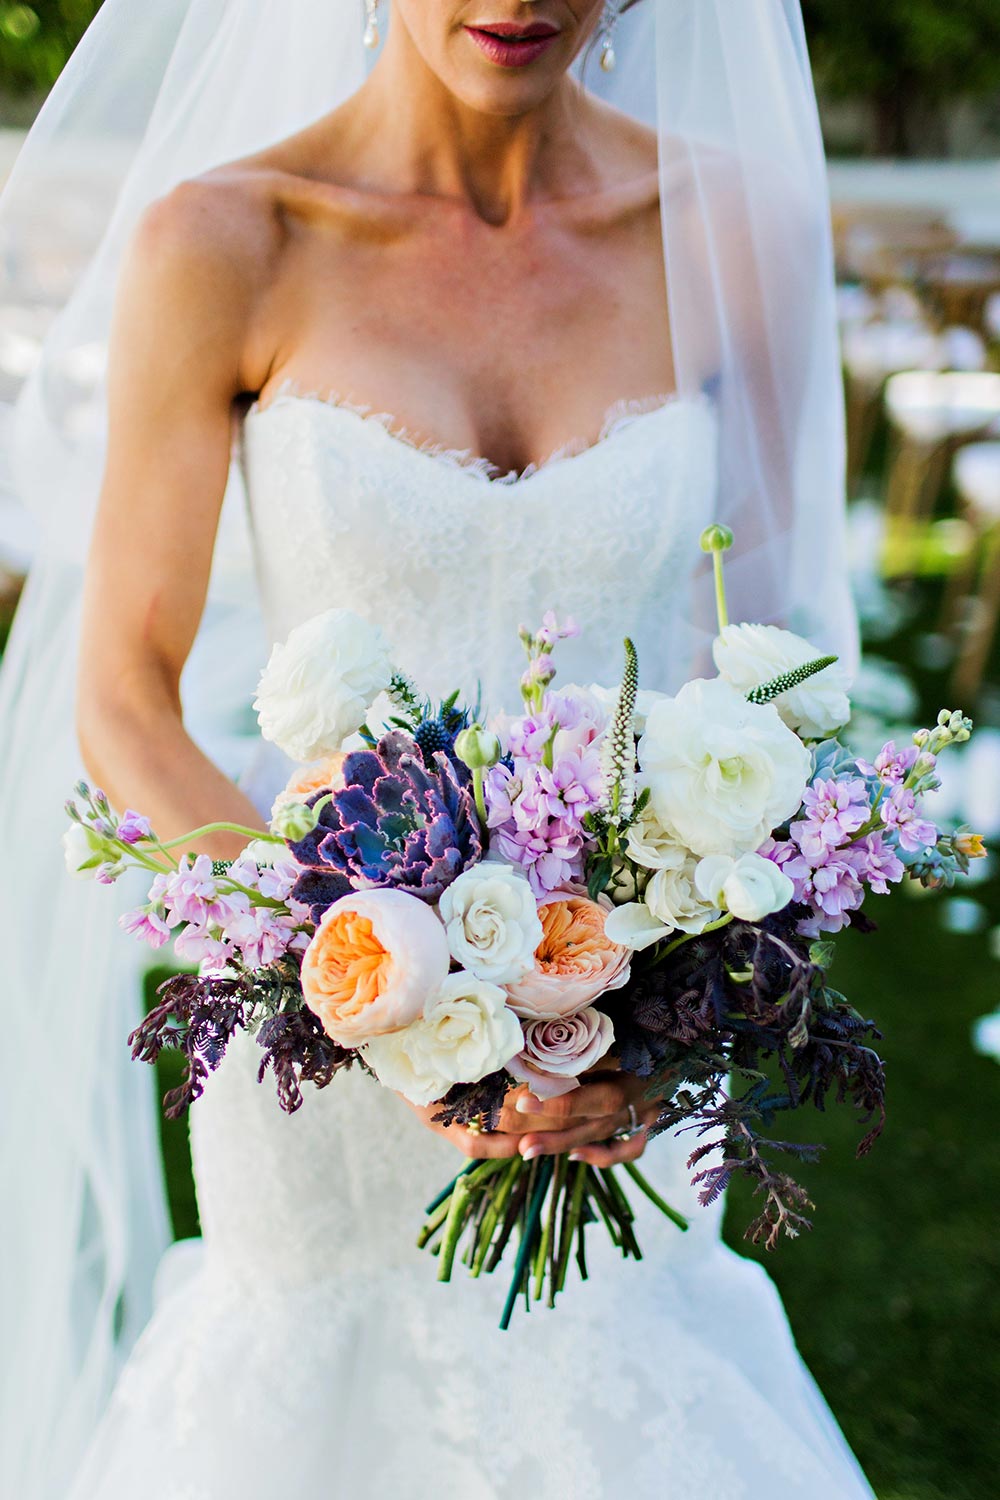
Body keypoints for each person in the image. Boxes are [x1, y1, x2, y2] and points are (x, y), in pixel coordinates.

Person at [0, 3, 868, 1496]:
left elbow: (777, 682)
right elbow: (127, 689)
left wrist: (671, 1035)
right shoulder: (227, 239)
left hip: (615, 1048)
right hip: (320, 1049)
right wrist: (352, 985)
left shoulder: (739, 230)